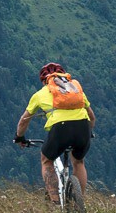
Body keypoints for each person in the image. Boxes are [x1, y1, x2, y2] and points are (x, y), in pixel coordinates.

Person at [14, 62, 96, 204]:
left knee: (47, 161)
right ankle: (79, 202)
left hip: (60, 129)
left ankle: (55, 201)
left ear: (44, 81)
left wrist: (20, 137)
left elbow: (23, 121)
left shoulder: (40, 94)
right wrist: (89, 132)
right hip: (83, 127)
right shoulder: (76, 90)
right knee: (78, 161)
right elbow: (92, 117)